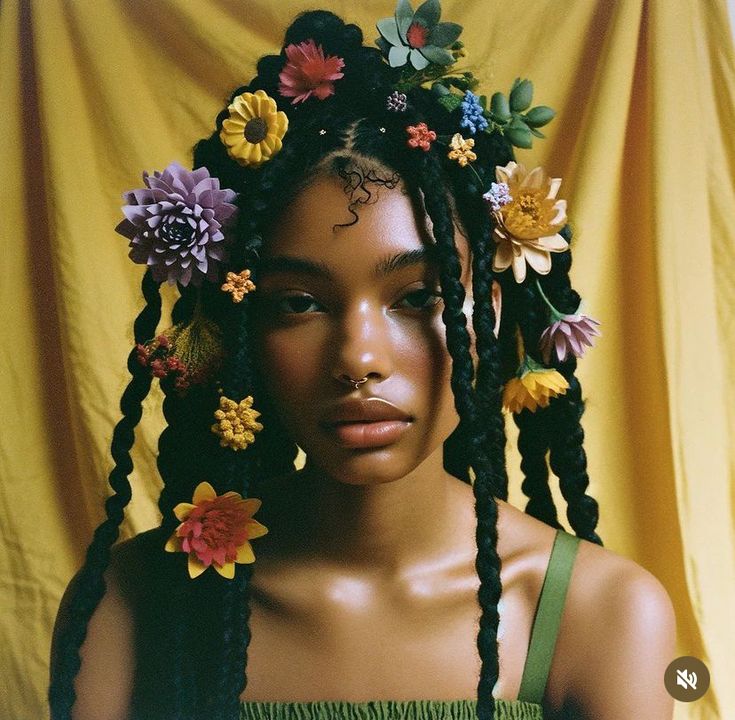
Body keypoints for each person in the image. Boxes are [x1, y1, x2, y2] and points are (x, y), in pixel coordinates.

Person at [49, 5, 677, 720]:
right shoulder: (132, 605)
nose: (358, 358)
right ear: (242, 328)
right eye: (297, 304)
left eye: (417, 296)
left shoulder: (602, 617)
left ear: (493, 313)